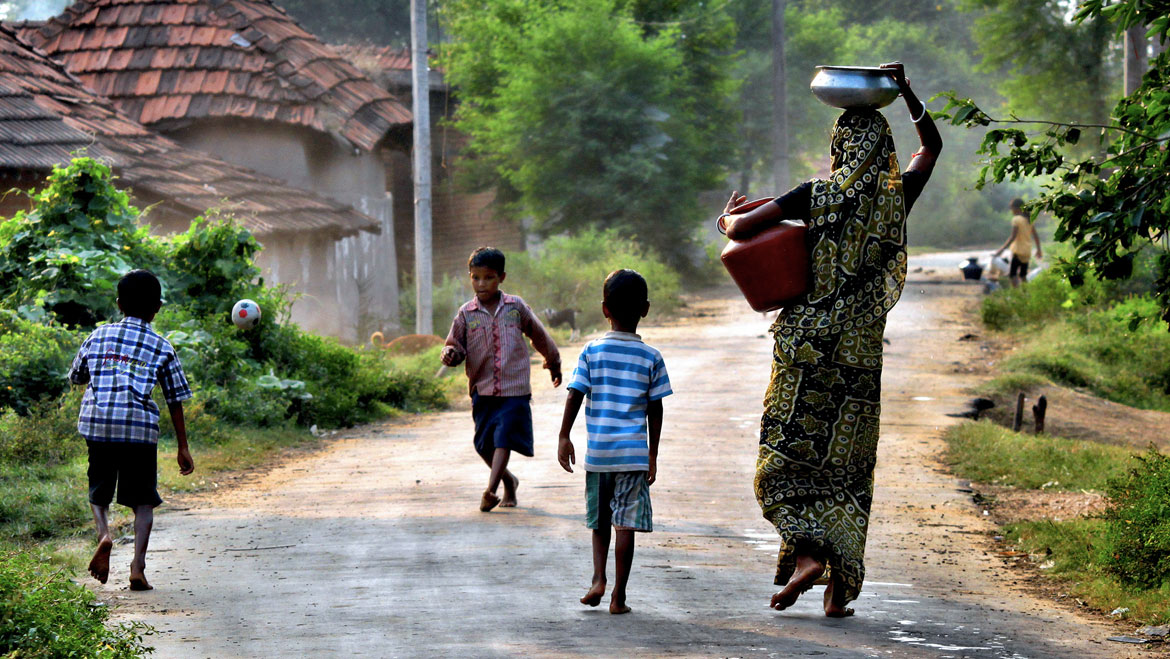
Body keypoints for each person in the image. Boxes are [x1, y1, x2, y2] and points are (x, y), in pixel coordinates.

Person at [721, 61, 941, 617]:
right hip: (859, 357)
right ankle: (838, 593)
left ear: (840, 145)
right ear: (882, 147)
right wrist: (908, 92)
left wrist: (726, 221)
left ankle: (808, 555)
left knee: (784, 463)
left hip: (804, 350)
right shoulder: (896, 199)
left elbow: (744, 230)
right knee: (848, 470)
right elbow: (931, 147)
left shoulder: (817, 194)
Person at [68, 269, 195, 591]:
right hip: (138, 429)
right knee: (143, 502)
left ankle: (105, 536)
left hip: (98, 424)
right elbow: (175, 399)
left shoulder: (98, 335)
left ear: (119, 304)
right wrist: (183, 447)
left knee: (98, 491)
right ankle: (137, 567)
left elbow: (77, 376)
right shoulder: (162, 346)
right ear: (158, 308)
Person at [557, 269, 672, 615]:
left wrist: (564, 435)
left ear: (604, 309)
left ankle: (597, 578)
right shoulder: (651, 357)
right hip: (633, 456)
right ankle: (618, 597)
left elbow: (575, 394)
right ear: (646, 309)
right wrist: (652, 454)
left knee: (599, 521)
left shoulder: (592, 351)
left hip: (599, 455)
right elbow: (656, 408)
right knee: (625, 524)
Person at [442, 247, 562, 512]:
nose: (481, 284)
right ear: (470, 277)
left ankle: (490, 491)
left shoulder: (515, 307)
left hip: (514, 389)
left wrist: (553, 362)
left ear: (501, 278)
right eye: (475, 277)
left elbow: (539, 335)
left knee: (504, 438)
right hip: (482, 390)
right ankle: (509, 480)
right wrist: (450, 354)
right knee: (483, 444)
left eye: (488, 277)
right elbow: (455, 345)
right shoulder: (466, 314)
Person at [992, 198, 1042, 287]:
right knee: (1023, 275)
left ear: (1017, 209)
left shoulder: (1016, 219)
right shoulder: (1029, 219)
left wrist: (1001, 250)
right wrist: (1039, 250)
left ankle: (1017, 294)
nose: (1011, 211)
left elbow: (1013, 237)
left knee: (1012, 275)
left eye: (1012, 209)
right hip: (1027, 251)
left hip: (1018, 251)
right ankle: (1025, 293)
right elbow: (1036, 236)